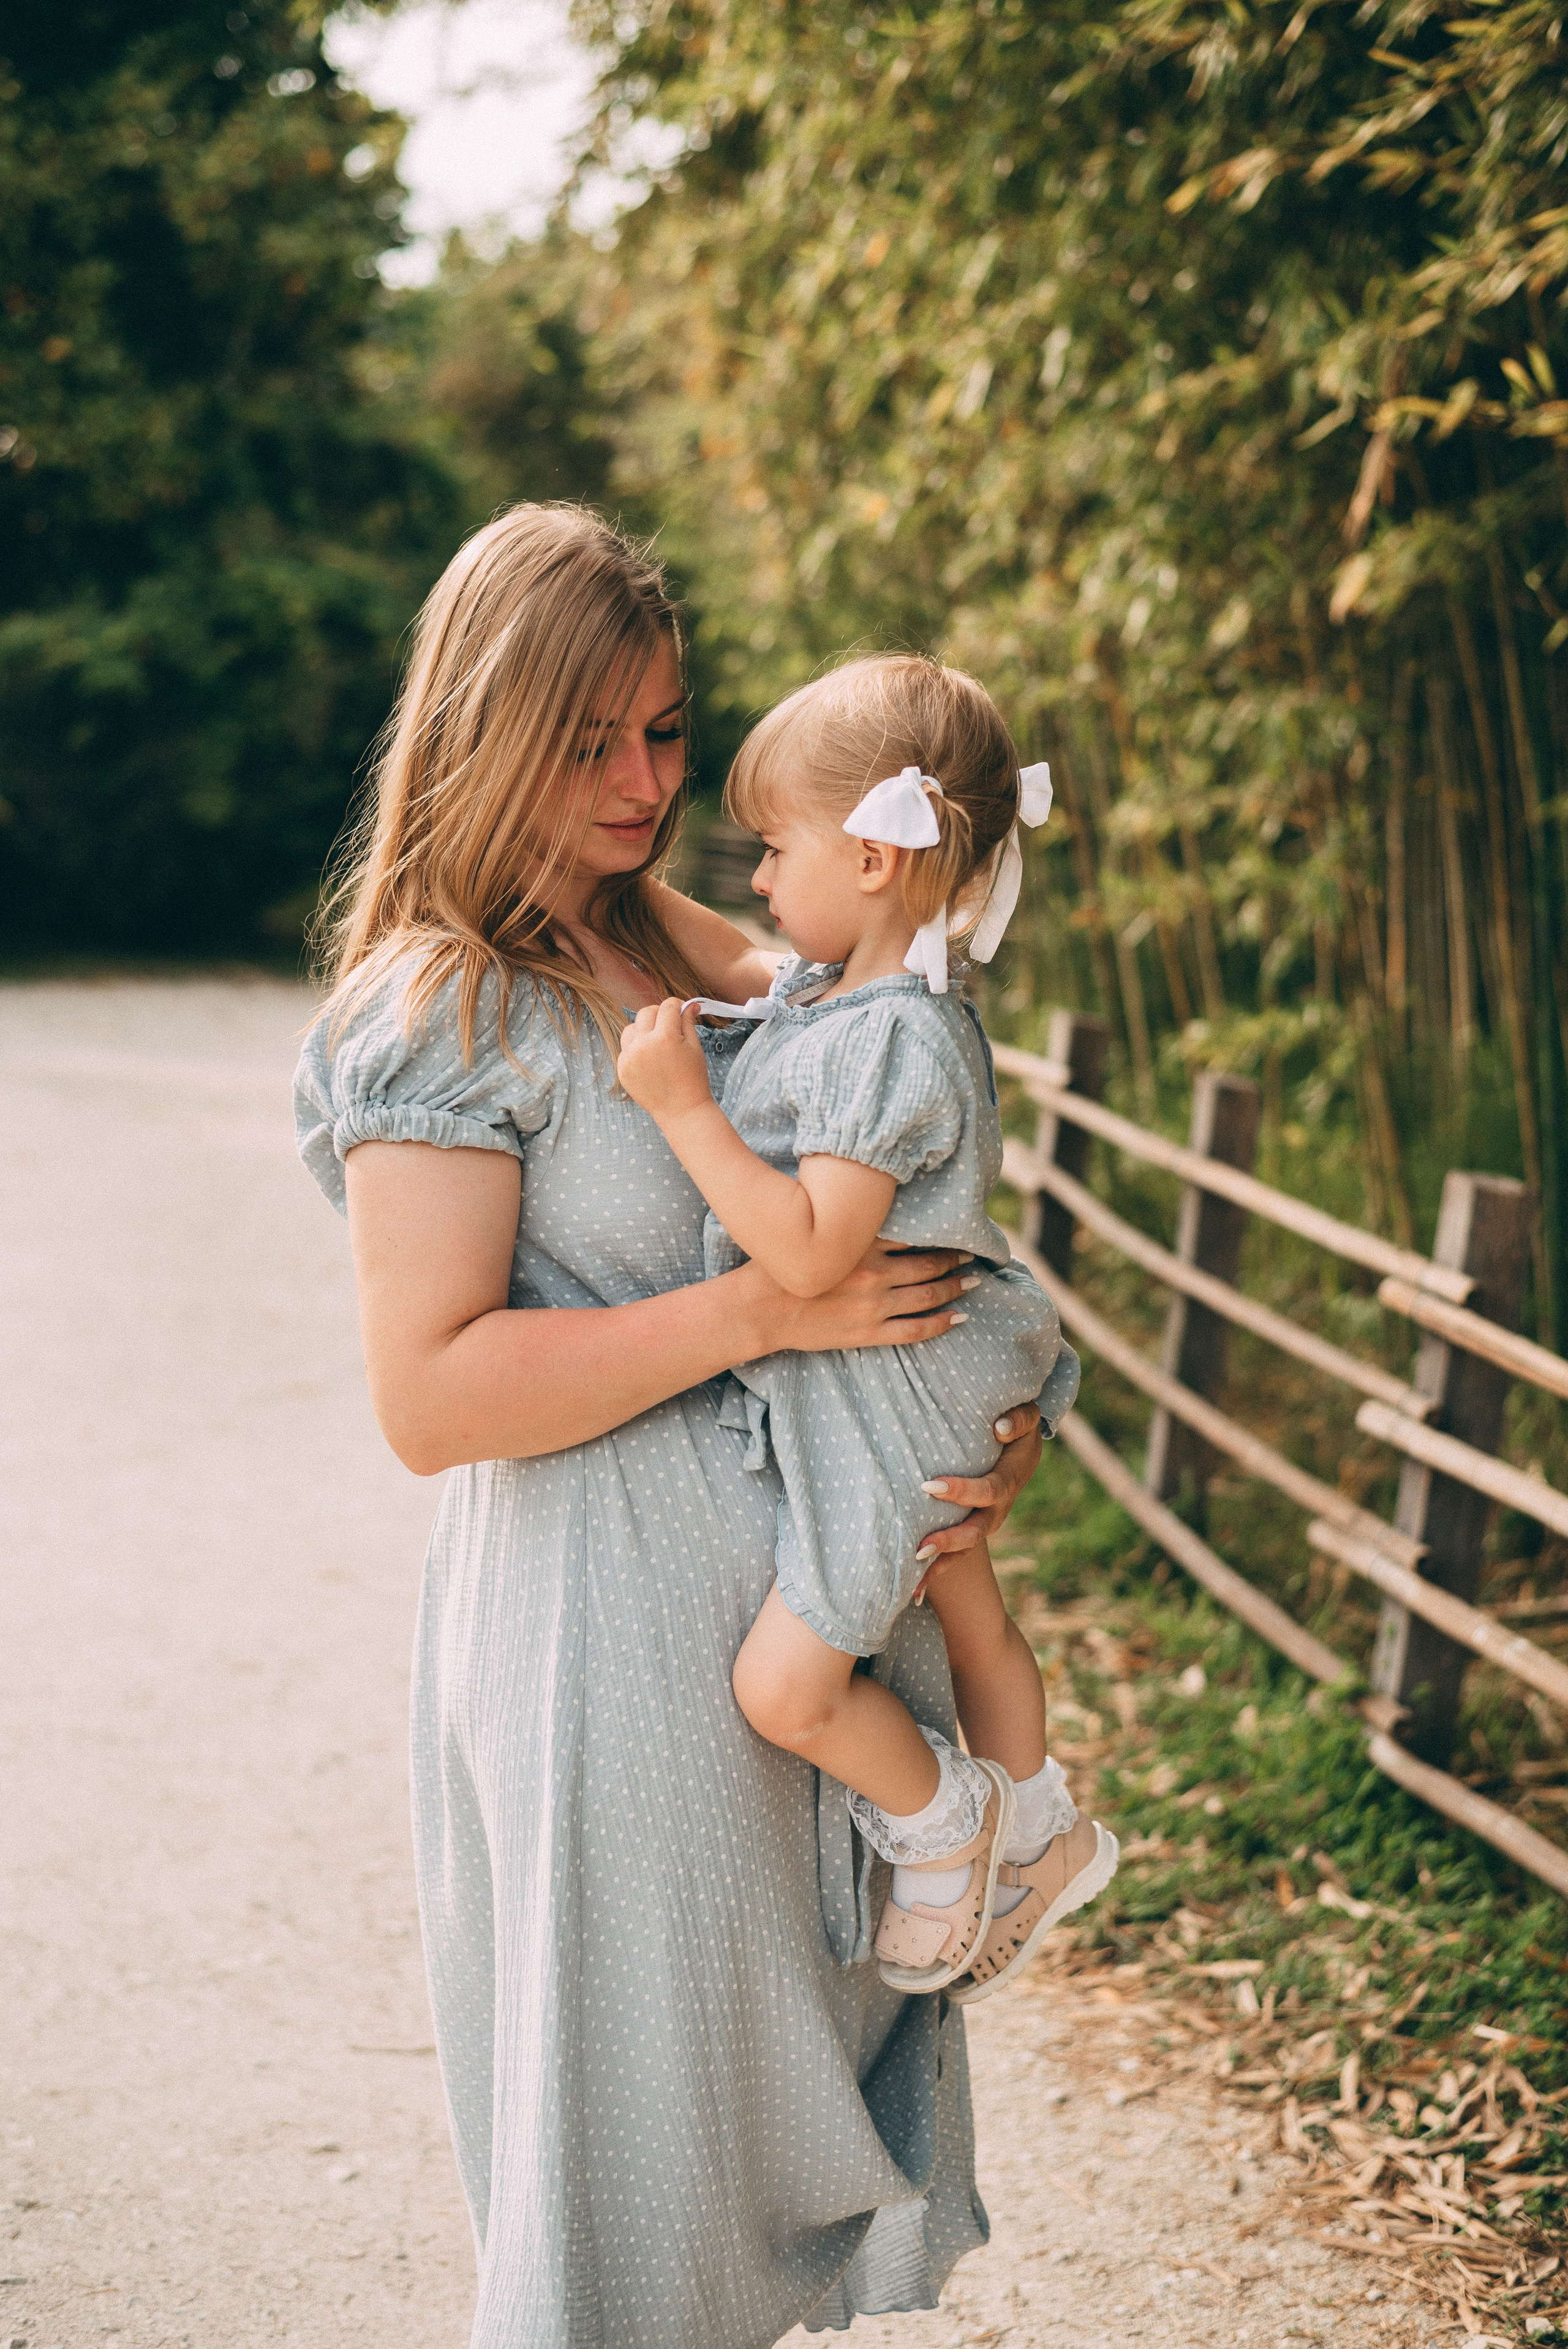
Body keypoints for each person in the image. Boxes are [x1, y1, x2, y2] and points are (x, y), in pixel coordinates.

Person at [293, 504, 1055, 2349]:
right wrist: (768, 1312)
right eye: (591, 742)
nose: (646, 784)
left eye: (663, 729)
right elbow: (430, 1397)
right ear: (486, 726)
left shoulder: (665, 934)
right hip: (604, 1657)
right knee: (620, 2200)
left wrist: (974, 1407)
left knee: (723, 2189)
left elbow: (885, 1108)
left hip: (794, 1625)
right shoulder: (441, 1005)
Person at [617, 657, 1118, 2005]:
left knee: (786, 1690)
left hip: (892, 1392)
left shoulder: (889, 1037)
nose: (759, 880)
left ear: (876, 857)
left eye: (775, 850)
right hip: (918, 1376)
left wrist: (683, 1108)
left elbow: (809, 1253)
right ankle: (1040, 1827)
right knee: (967, 1606)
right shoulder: (837, 1000)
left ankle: (948, 1827)